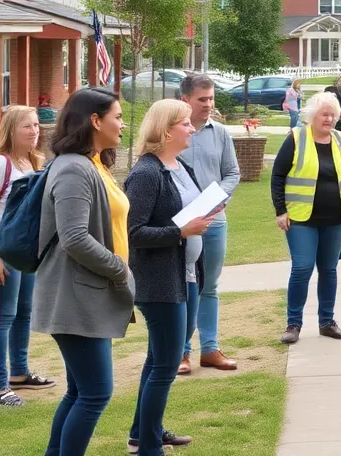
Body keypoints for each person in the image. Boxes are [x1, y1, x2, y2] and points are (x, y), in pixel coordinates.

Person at [34, 87, 135, 456]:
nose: (122, 124)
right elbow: (74, 237)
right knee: (95, 394)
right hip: (76, 297)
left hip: (88, 294)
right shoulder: (74, 168)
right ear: (96, 120)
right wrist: (118, 270)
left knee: (80, 392)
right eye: (118, 116)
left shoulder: (92, 163)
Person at [125, 99, 219, 455]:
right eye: (184, 124)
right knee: (165, 364)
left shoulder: (180, 165)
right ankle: (149, 447)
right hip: (160, 281)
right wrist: (181, 231)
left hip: (188, 276)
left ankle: (143, 433)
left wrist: (207, 209)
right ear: (165, 130)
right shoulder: (146, 173)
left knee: (159, 359)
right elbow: (134, 233)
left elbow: (186, 212)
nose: (192, 128)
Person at [0, 105, 54, 407]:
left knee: (24, 313)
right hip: (3, 252)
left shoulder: (33, 161)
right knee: (2, 318)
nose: (34, 131)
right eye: (27, 126)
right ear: (11, 130)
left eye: (36, 125)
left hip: (26, 251)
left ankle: (19, 373)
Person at [271, 90, 341, 344]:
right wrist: (280, 210)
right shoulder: (296, 138)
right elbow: (278, 176)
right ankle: (293, 324)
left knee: (329, 269)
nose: (329, 119)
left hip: (335, 218)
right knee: (302, 268)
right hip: (300, 218)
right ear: (313, 115)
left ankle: (327, 321)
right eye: (324, 114)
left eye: (333, 115)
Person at [180, 74, 243, 374]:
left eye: (211, 98)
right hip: (179, 225)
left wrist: (218, 198)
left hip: (214, 222)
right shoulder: (171, 132)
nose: (208, 104)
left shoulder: (220, 133)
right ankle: (181, 352)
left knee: (209, 286)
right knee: (183, 285)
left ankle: (210, 349)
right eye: (202, 99)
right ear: (185, 100)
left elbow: (232, 172)